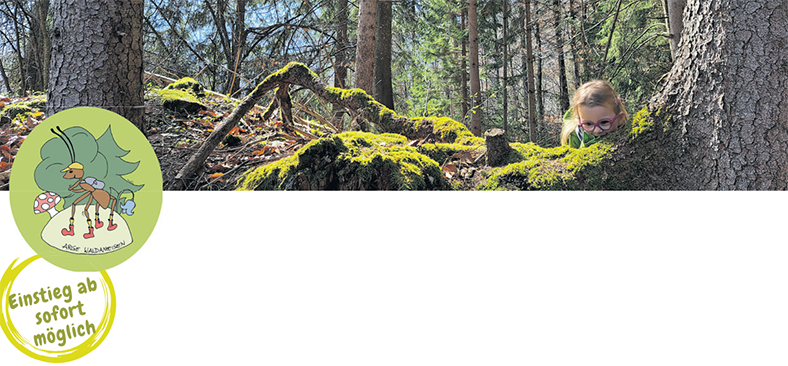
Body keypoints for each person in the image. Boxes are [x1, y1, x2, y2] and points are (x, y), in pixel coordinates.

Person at [560, 80, 628, 148]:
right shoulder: (573, 138)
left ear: (620, 118)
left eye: (604, 122)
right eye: (588, 124)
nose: (597, 130)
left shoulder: (630, 135)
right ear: (579, 120)